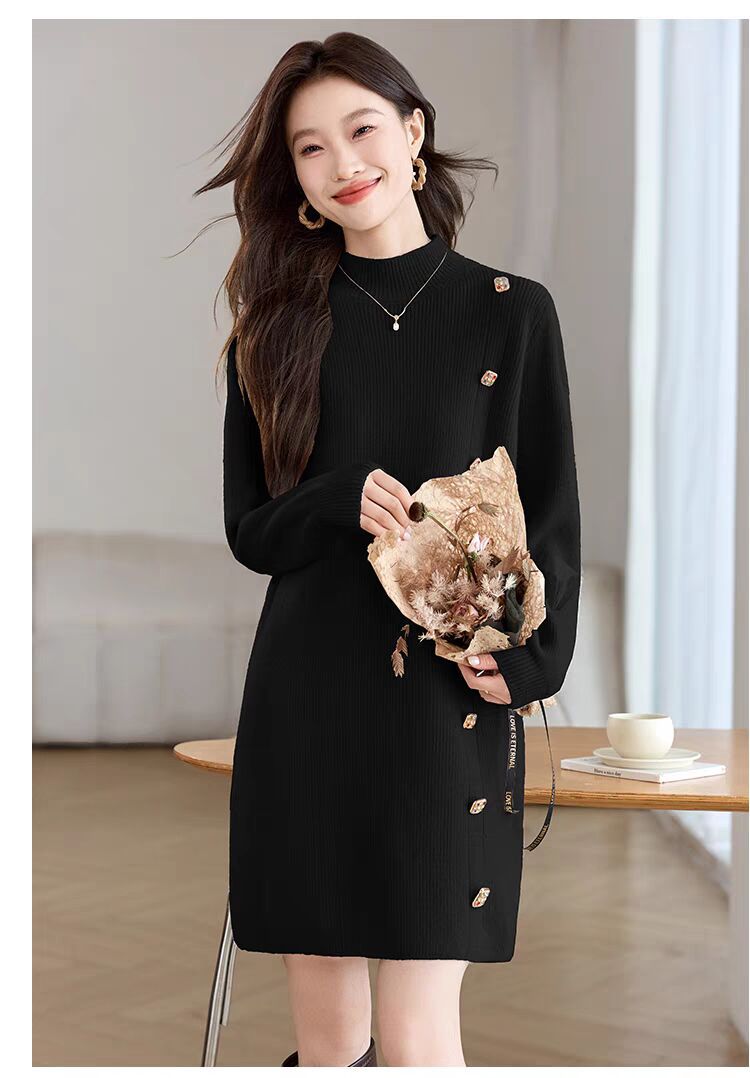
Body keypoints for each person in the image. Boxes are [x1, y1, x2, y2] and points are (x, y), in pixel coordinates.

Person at [199, 30, 581, 1068]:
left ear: (413, 134)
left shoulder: (511, 314)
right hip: (308, 697)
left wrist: (535, 662)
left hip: (444, 704)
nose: (343, 162)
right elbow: (250, 532)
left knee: (418, 1038)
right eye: (310, 148)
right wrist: (333, 499)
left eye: (361, 129)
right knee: (329, 1046)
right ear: (296, 181)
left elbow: (551, 513)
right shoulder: (270, 331)